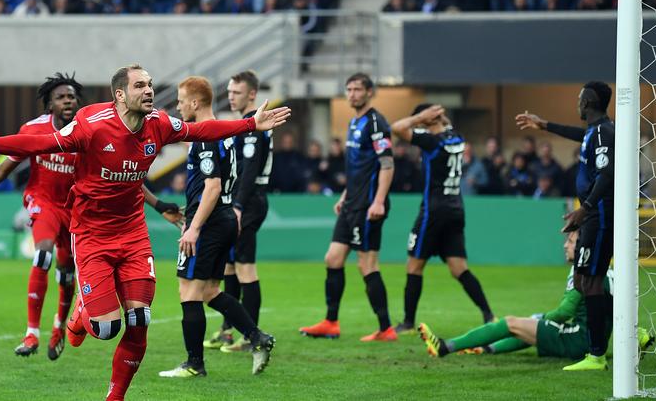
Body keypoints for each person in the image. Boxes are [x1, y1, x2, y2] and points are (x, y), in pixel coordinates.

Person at [0, 64, 290, 400]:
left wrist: (248, 125)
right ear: (120, 94)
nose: (149, 90)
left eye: (150, 84)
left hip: (133, 234)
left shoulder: (159, 123)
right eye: (140, 85)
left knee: (139, 321)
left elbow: (200, 131)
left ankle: (115, 396)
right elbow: (37, 144)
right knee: (107, 329)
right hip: (91, 233)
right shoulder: (91, 124)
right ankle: (81, 312)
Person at [0, 73, 183, 360]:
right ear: (49, 104)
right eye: (61, 97)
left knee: (66, 274)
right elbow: (2, 170)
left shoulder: (90, 131)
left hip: (77, 212)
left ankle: (60, 325)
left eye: (72, 97)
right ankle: (31, 332)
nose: (68, 101)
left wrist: (159, 204)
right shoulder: (34, 129)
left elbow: (126, 180)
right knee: (43, 255)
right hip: (44, 202)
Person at [159, 76, 275, 378]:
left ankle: (194, 364)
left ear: (195, 103)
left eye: (182, 101)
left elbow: (212, 186)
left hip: (209, 222)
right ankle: (258, 337)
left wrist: (193, 228)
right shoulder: (221, 133)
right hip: (224, 218)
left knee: (189, 290)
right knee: (210, 290)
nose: (179, 106)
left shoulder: (207, 137)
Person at [419, 230, 655, 360]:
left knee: (513, 322)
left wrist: (544, 316)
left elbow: (565, 312)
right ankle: (487, 348)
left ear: (582, 246)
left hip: (577, 341)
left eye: (570, 241)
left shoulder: (583, 270)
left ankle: (445, 347)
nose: (565, 245)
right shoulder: (608, 270)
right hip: (592, 342)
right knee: (530, 327)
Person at [515, 81, 615, 371]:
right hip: (590, 214)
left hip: (599, 215)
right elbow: (579, 135)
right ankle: (622, 335)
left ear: (587, 102)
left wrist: (584, 209)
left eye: (579, 98)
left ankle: (597, 354)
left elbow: (607, 173)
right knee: (584, 281)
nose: (577, 103)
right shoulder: (594, 132)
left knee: (593, 282)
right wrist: (543, 124)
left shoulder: (605, 132)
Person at [299, 73, 396, 342]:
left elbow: (387, 165)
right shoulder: (354, 122)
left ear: (369, 92)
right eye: (349, 89)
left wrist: (377, 201)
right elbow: (359, 169)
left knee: (367, 264)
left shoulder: (376, 122)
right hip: (352, 202)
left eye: (357, 89)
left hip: (368, 206)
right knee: (333, 258)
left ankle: (386, 328)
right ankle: (331, 322)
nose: (352, 94)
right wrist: (344, 194)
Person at [390, 104, 495, 333]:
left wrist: (419, 117)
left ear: (427, 120)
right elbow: (444, 125)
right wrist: (433, 118)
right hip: (456, 209)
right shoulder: (456, 137)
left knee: (414, 266)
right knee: (459, 268)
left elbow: (396, 128)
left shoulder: (432, 142)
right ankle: (489, 314)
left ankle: (408, 322)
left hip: (433, 211)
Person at [205, 71, 274, 352]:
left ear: (252, 95)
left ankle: (250, 336)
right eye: (230, 92)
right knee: (230, 267)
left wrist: (238, 206)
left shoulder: (256, 129)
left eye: (236, 92)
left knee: (245, 268)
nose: (231, 96)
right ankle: (228, 329)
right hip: (239, 201)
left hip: (249, 201)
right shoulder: (243, 126)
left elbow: (248, 173)